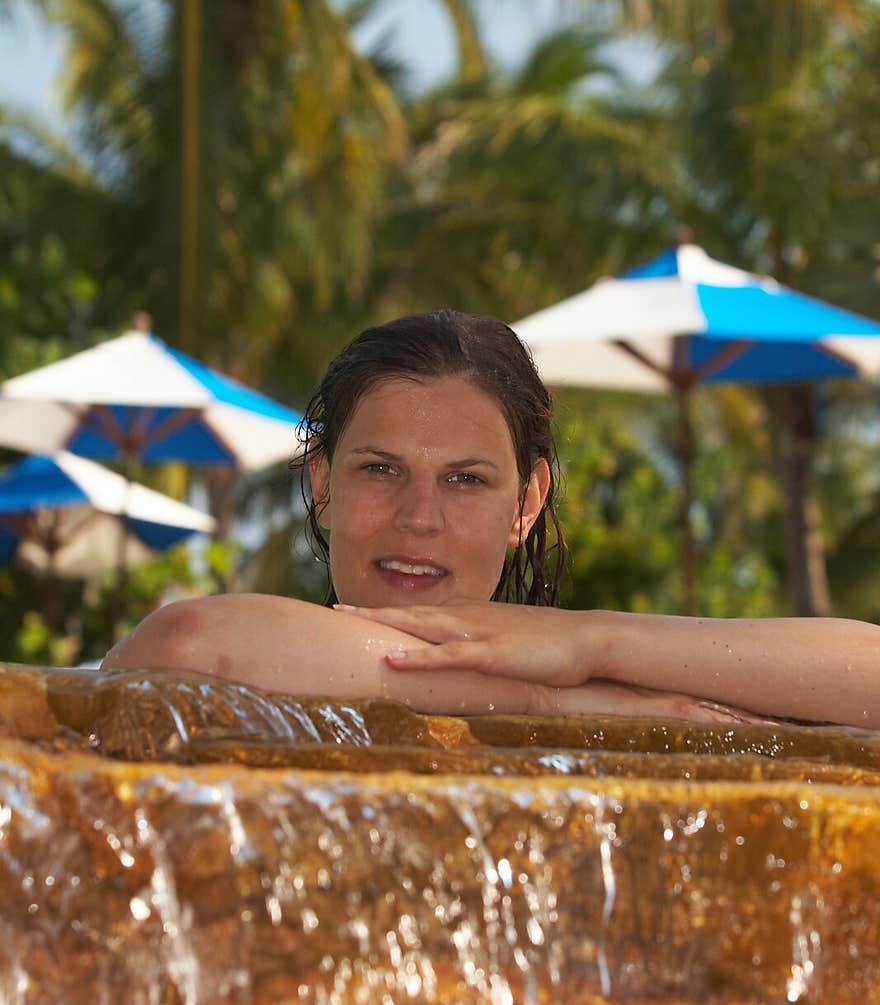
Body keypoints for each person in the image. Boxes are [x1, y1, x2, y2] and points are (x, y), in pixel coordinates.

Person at [102, 311, 880, 729]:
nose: (420, 517)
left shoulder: (602, 664)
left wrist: (591, 644)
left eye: (466, 481)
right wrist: (547, 699)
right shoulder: (253, 668)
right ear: (321, 486)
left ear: (527, 503)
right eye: (380, 469)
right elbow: (188, 644)